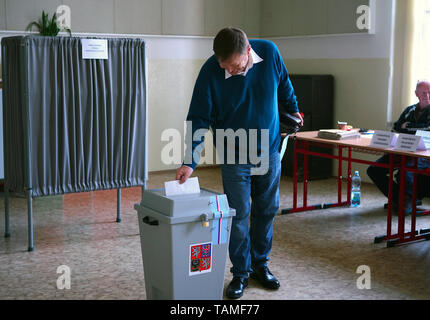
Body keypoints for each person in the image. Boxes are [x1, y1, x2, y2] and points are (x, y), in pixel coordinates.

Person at [175, 27, 302, 299]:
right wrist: (189, 161)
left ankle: (260, 265)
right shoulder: (211, 70)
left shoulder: (269, 52)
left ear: (247, 52)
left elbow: (284, 85)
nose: (229, 71)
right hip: (234, 155)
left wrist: (293, 111)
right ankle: (240, 273)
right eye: (225, 66)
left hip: (268, 149)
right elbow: (198, 118)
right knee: (239, 213)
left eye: (234, 66)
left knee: (266, 210)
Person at [367, 80, 430, 214]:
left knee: (405, 168)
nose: (427, 95)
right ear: (416, 94)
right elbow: (396, 128)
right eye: (424, 92)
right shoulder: (409, 110)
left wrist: (407, 126)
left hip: (424, 154)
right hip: (403, 149)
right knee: (374, 170)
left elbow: (427, 129)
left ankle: (406, 202)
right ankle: (401, 199)